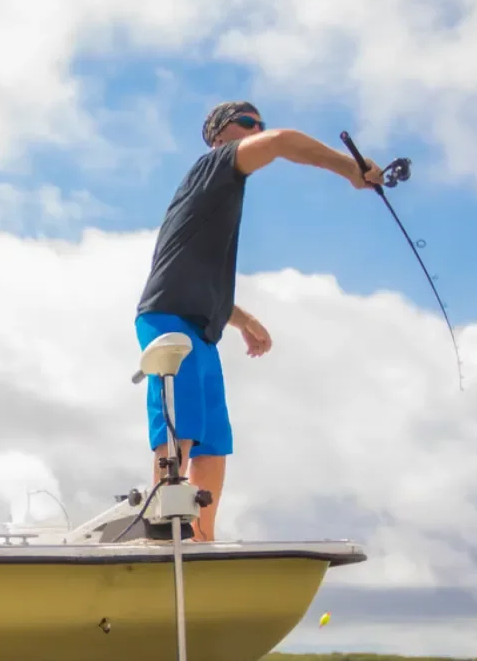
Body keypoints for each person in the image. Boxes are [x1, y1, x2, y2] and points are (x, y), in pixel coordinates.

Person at [133, 101, 384, 542]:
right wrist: (350, 168)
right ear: (219, 135)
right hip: (169, 315)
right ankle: (163, 529)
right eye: (247, 123)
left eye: (259, 124)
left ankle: (201, 538)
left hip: (202, 327)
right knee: (181, 420)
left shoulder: (218, 196)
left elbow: (198, 277)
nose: (256, 129)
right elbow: (282, 142)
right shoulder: (213, 166)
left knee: (213, 439)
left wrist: (243, 319)